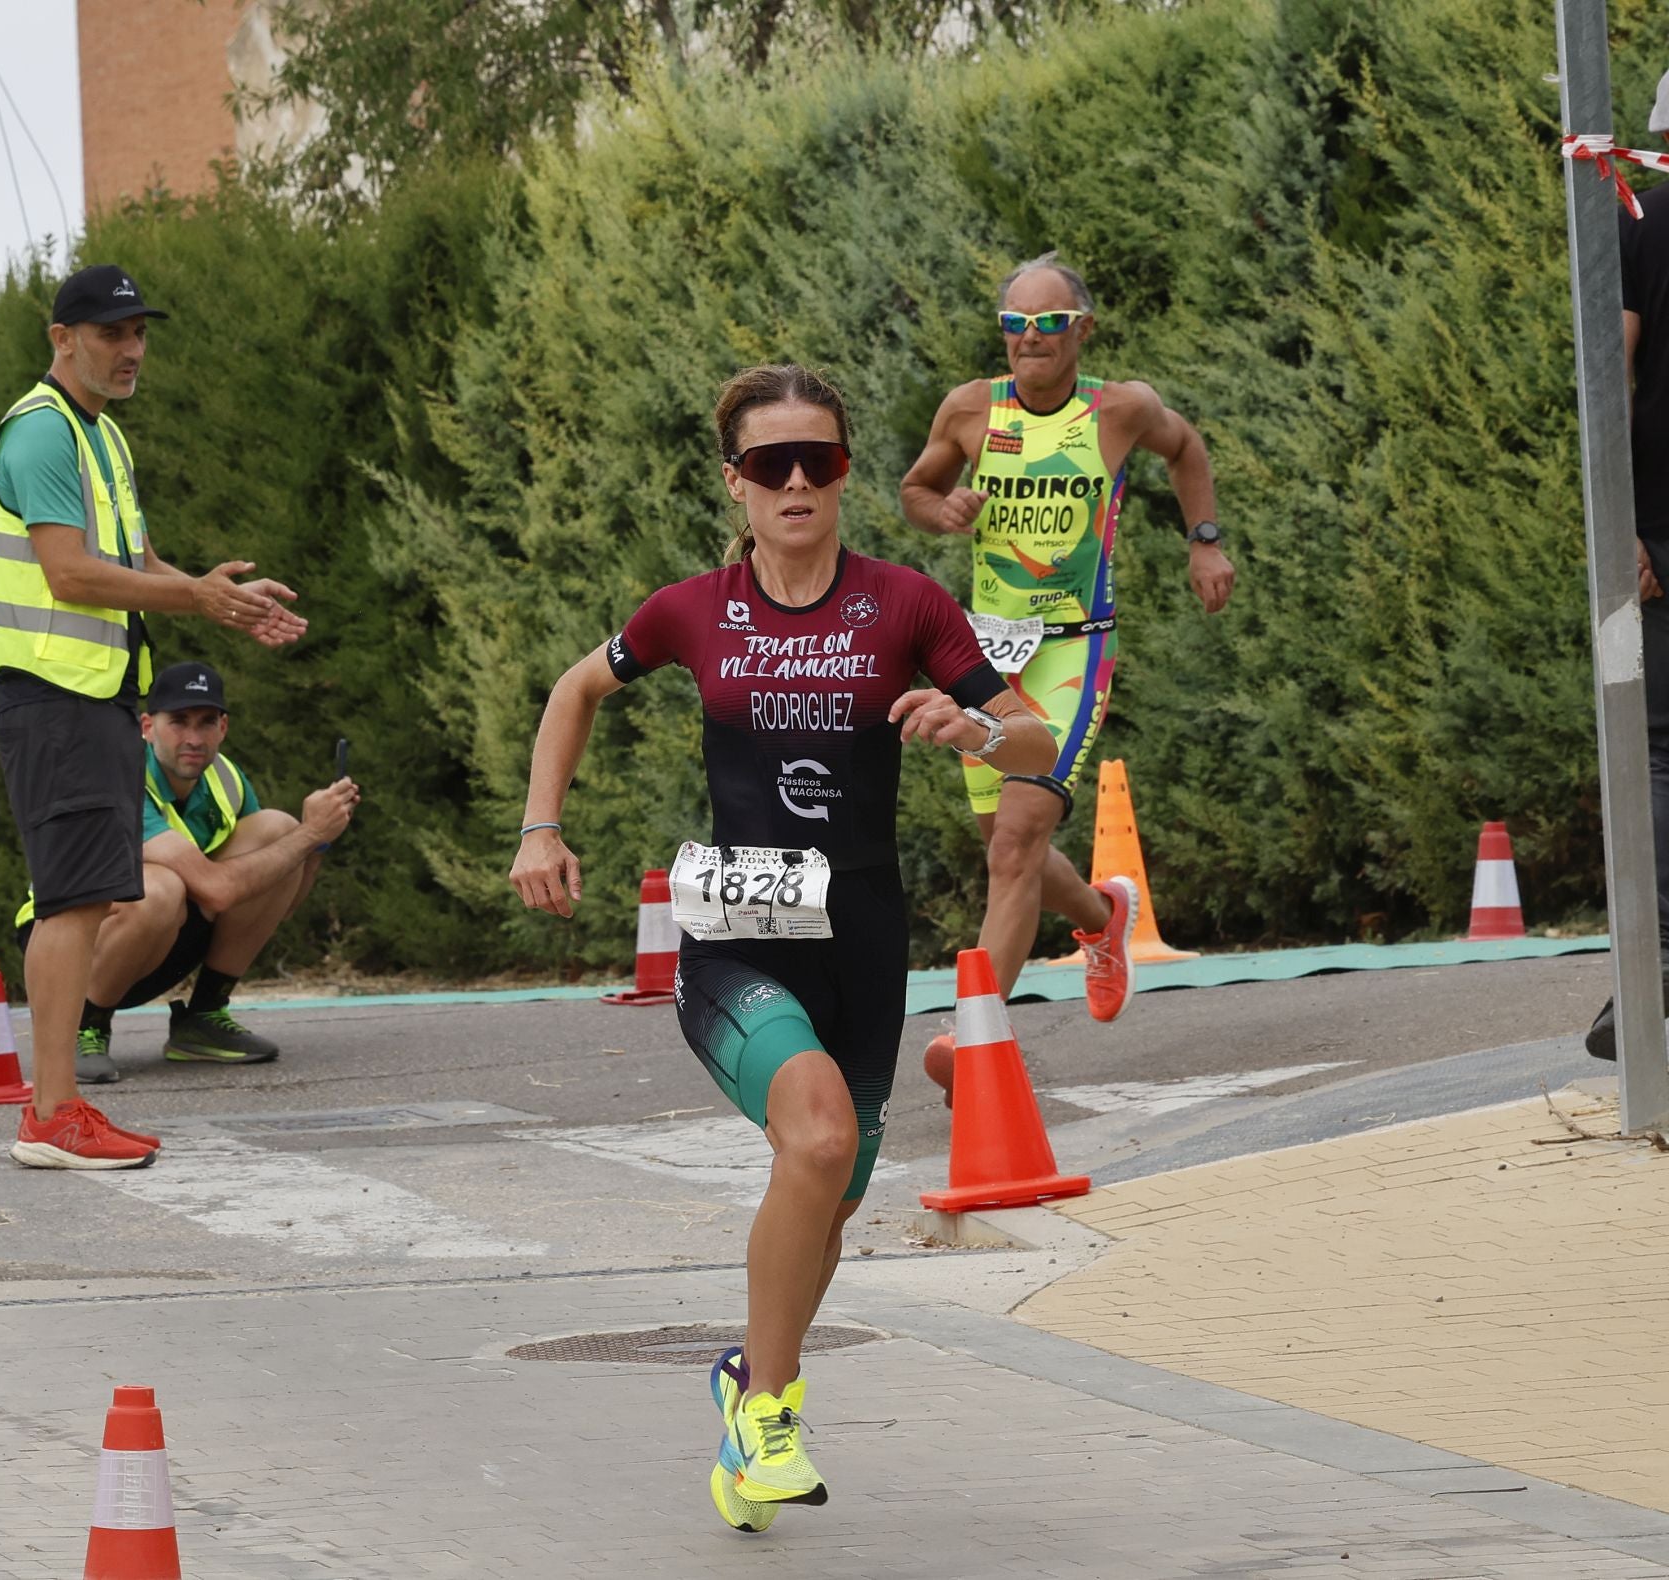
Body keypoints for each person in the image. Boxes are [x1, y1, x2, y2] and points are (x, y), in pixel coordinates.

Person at [510, 364, 1053, 1528]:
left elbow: (1035, 738)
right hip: (737, 936)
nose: (798, 480)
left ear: (847, 471)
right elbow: (573, 689)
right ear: (737, 485)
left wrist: (977, 726)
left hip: (862, 937)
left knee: (831, 1192)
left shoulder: (906, 603)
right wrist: (540, 826)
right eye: (772, 464)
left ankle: (746, 1380)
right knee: (813, 1134)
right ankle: (769, 1407)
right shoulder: (690, 610)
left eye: (822, 459)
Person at [0, 264, 307, 1170]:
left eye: (139, 333)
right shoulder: (42, 434)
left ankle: (57, 1109)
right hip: (54, 695)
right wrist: (197, 603)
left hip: (93, 698)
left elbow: (138, 557)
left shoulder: (101, 438)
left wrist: (217, 597)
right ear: (61, 338)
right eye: (112, 333)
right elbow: (71, 574)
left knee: (85, 899)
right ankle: (51, 1115)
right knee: (69, 905)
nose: (131, 350)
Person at [899, 252, 1235, 1087]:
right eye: (1015, 324)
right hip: (984, 654)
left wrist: (1205, 543)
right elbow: (915, 488)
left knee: (1015, 846)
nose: (1029, 340)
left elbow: (1186, 448)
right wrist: (943, 512)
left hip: (1074, 651)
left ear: (1082, 329)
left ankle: (974, 1035)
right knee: (1008, 850)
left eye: (1048, 325)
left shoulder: (1121, 410)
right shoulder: (971, 409)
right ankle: (1102, 914)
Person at [15, 661, 359, 1083]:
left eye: (206, 722)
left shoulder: (226, 778)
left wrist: (317, 841)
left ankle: (204, 1017)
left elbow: (274, 899)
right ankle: (83, 1026)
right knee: (161, 888)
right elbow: (216, 891)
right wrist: (310, 834)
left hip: (161, 938)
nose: (193, 738)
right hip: (67, 946)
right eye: (178, 722)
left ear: (224, 728)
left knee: (277, 832)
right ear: (146, 726)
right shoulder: (120, 778)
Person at [1591, 72, 1669, 1058]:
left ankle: (1645, 985)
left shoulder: (1640, 211)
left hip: (1663, 519)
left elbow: (1609, 368)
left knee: (1657, 752)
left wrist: (1620, 527)